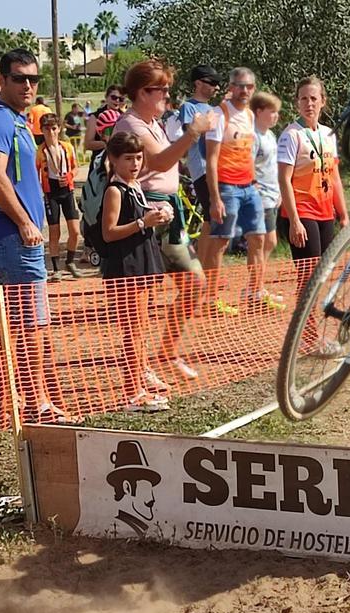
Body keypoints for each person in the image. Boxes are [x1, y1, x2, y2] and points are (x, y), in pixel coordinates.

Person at [0, 49, 74, 425]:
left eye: (34, 78)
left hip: (14, 237)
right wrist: (24, 222)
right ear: (1, 81)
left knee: (18, 322)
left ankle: (17, 396)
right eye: (19, 78)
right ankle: (35, 400)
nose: (28, 85)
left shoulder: (16, 120)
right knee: (31, 323)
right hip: (13, 238)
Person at [113, 59, 214, 379]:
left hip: (168, 215)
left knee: (194, 282)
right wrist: (194, 133)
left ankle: (166, 352)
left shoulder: (153, 122)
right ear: (143, 92)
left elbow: (166, 162)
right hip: (144, 214)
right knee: (142, 298)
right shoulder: (131, 125)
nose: (168, 97)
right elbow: (157, 161)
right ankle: (138, 368)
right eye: (163, 90)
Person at [98, 131, 171, 413]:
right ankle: (133, 393)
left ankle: (140, 380)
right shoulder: (115, 191)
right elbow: (109, 232)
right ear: (114, 160)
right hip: (125, 269)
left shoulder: (135, 186)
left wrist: (158, 215)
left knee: (140, 328)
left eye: (139, 158)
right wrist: (143, 223)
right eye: (129, 158)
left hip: (142, 265)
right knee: (133, 332)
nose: (135, 163)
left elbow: (142, 218)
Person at [277, 75, 349, 347]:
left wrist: (343, 213)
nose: (309, 103)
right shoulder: (291, 135)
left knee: (320, 276)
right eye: (304, 98)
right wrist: (294, 220)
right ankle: (307, 337)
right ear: (296, 103)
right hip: (302, 212)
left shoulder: (329, 134)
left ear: (323, 102)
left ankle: (307, 333)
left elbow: (335, 177)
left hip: (325, 213)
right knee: (307, 278)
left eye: (314, 98)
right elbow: (283, 179)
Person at [203, 67, 280, 313]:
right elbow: (211, 160)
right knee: (221, 242)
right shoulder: (220, 115)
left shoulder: (249, 116)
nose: (244, 90)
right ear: (231, 87)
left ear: (253, 89)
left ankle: (256, 292)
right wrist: (215, 198)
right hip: (227, 187)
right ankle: (212, 298)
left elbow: (251, 153)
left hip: (249, 187)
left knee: (259, 238)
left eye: (249, 86)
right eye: (239, 85)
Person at [35, 114, 82, 281]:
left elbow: (76, 168)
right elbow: (35, 173)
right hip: (51, 192)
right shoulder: (40, 151)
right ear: (42, 130)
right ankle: (56, 269)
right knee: (54, 232)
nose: (51, 132)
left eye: (54, 128)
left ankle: (70, 261)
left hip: (67, 189)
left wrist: (70, 176)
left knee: (75, 231)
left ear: (59, 129)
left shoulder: (67, 147)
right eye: (47, 129)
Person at [250, 90, 283, 302]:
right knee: (260, 242)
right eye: (272, 112)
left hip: (272, 195)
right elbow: (246, 164)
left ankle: (257, 287)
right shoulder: (252, 136)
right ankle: (254, 289)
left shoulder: (270, 135)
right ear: (259, 112)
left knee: (269, 242)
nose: (276, 116)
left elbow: (273, 166)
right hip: (258, 196)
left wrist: (279, 191)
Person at [180, 65, 221, 225]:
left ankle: (204, 250)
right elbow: (191, 135)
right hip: (202, 170)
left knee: (214, 218)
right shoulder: (188, 107)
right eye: (212, 82)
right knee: (214, 216)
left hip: (218, 169)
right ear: (197, 83)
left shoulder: (214, 110)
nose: (216, 87)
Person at [84, 85, 126, 153]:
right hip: (99, 159)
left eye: (121, 99)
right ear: (106, 97)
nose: (117, 100)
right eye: (114, 97)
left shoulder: (124, 116)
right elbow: (88, 144)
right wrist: (107, 144)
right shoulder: (95, 117)